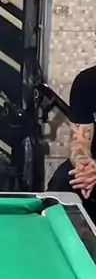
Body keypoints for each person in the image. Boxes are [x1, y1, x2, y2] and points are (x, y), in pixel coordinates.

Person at [48, 67, 96, 218]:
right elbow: (80, 141)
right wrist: (82, 162)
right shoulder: (87, 81)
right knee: (64, 181)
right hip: (93, 165)